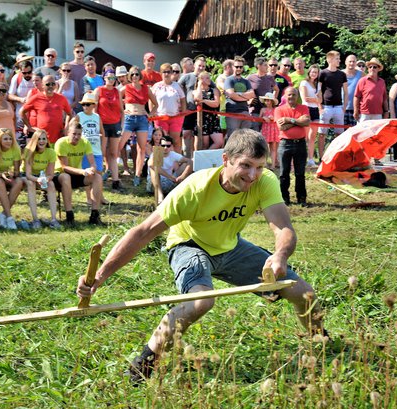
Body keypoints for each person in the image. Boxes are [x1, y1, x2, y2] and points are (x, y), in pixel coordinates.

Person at [77, 129, 325, 383]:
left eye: (259, 167)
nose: (252, 175)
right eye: (246, 165)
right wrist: (99, 276)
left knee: (303, 293)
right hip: (189, 245)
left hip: (229, 247)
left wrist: (280, 255)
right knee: (201, 301)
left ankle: (323, 346)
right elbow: (142, 232)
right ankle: (142, 367)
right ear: (226, 159)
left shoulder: (265, 181)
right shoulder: (194, 189)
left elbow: (283, 228)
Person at [53, 121, 105, 226]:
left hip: (77, 174)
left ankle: (94, 215)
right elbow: (65, 167)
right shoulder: (61, 143)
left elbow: (93, 164)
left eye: (79, 134)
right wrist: (82, 171)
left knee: (97, 177)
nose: (77, 137)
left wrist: (92, 170)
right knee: (66, 177)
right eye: (74, 134)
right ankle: (69, 215)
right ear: (68, 133)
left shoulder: (85, 142)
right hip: (59, 175)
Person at [117, 66, 157, 187]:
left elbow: (156, 104)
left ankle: (137, 175)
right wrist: (122, 110)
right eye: (132, 74)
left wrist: (150, 115)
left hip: (141, 119)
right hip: (129, 118)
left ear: (140, 76)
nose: (134, 76)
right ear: (130, 76)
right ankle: (110, 169)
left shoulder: (146, 88)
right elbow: (117, 96)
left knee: (141, 148)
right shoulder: (126, 87)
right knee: (119, 144)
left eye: (137, 74)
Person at [274, 87, 310, 206]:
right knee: (284, 173)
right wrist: (298, 121)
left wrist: (289, 120)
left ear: (297, 96)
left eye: (294, 95)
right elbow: (281, 128)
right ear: (285, 96)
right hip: (285, 144)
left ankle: (301, 198)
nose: (291, 97)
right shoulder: (279, 110)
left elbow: (306, 122)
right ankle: (284, 198)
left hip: (300, 143)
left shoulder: (304, 108)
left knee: (300, 173)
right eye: (289, 95)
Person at [0, 127, 23, 230]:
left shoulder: (16, 148)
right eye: (5, 139)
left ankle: (3, 214)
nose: (8, 141)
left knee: (19, 182)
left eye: (10, 139)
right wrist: (2, 174)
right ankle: (9, 217)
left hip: (7, 175)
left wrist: (12, 173)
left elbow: (17, 171)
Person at [22, 128, 60, 229]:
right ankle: (35, 220)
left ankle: (53, 219)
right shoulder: (29, 151)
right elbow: (28, 174)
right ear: (35, 140)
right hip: (26, 175)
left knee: (51, 185)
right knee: (31, 184)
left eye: (44, 139)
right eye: (39, 139)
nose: (42, 141)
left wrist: (46, 179)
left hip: (41, 176)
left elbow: (51, 174)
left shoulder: (51, 152)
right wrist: (38, 180)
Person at [20, 74, 72, 145]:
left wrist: (66, 127)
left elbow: (69, 113)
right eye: (48, 84)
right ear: (42, 85)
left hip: (58, 138)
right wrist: (29, 127)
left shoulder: (62, 98)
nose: (50, 86)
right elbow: (22, 112)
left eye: (53, 84)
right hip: (42, 139)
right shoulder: (36, 98)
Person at [93, 69, 124, 183]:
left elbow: (122, 110)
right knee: (101, 152)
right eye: (108, 77)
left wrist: (121, 125)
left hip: (115, 125)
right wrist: (98, 125)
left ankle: (115, 180)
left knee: (113, 153)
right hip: (103, 124)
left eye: (113, 78)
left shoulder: (117, 92)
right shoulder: (99, 90)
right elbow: (95, 111)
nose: (110, 80)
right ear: (104, 78)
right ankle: (98, 178)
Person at [317, 51, 348, 162]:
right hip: (326, 107)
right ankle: (321, 157)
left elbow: (345, 91)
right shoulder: (323, 73)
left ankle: (337, 157)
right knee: (322, 133)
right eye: (337, 58)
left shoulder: (342, 74)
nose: (339, 61)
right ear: (329, 60)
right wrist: (320, 107)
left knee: (339, 134)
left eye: (339, 58)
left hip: (338, 107)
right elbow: (318, 91)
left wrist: (344, 107)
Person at [152, 63, 186, 154]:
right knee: (161, 140)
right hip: (160, 117)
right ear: (161, 73)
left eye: (168, 72)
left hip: (175, 116)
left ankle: (178, 161)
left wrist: (183, 112)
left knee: (175, 140)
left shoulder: (177, 86)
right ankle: (160, 162)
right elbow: (151, 100)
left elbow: (183, 99)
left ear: (171, 73)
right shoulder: (156, 86)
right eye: (164, 72)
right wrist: (153, 112)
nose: (166, 74)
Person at [179, 56, 206, 154]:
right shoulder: (187, 77)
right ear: (194, 66)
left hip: (202, 112)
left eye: (203, 66)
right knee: (186, 134)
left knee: (199, 135)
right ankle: (186, 157)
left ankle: (196, 158)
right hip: (189, 110)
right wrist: (182, 104)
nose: (201, 68)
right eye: (199, 65)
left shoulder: (206, 77)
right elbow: (177, 87)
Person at [224, 56, 255, 139]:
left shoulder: (246, 81)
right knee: (233, 137)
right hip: (232, 112)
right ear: (233, 67)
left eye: (240, 67)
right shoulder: (229, 80)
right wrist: (245, 96)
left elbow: (252, 94)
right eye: (237, 66)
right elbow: (231, 95)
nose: (239, 68)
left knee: (245, 137)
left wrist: (238, 95)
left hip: (245, 111)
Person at [192, 71, 223, 149]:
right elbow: (197, 99)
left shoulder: (214, 90)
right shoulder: (196, 91)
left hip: (213, 119)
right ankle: (201, 159)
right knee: (204, 144)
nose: (210, 80)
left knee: (219, 142)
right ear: (201, 79)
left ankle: (207, 156)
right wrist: (199, 85)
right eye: (207, 78)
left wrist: (204, 101)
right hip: (202, 119)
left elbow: (216, 104)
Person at [247, 57, 278, 132]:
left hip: (267, 111)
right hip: (255, 110)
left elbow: (276, 90)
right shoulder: (250, 78)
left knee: (267, 134)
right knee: (255, 133)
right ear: (258, 66)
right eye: (265, 65)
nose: (267, 67)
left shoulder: (270, 77)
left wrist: (272, 100)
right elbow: (244, 92)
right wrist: (248, 101)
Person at [299, 64, 322, 165]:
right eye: (312, 72)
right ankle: (302, 158)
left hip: (315, 110)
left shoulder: (318, 84)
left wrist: (317, 100)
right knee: (305, 136)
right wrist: (316, 100)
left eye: (316, 72)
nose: (314, 74)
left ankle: (311, 159)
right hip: (306, 108)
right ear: (309, 72)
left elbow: (321, 100)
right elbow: (305, 98)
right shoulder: (304, 82)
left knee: (313, 136)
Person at [353, 58, 388, 123]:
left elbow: (384, 98)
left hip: (378, 113)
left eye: (374, 67)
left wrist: (386, 111)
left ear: (378, 69)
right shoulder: (362, 80)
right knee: (363, 133)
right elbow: (356, 96)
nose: (372, 68)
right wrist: (356, 111)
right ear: (368, 69)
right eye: (370, 67)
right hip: (364, 113)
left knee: (377, 133)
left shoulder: (382, 82)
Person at [259, 93, 280, 168]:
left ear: (272, 101)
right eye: (266, 100)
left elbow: (278, 118)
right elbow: (259, 119)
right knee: (265, 146)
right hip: (266, 129)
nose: (267, 102)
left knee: (273, 147)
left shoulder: (276, 109)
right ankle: (264, 163)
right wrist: (263, 117)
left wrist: (273, 118)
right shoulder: (263, 110)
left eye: (269, 100)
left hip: (274, 129)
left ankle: (273, 165)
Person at [343, 54, 363, 127]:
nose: (351, 63)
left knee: (355, 133)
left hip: (355, 109)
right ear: (345, 62)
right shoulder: (340, 74)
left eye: (353, 61)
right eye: (350, 61)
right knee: (340, 132)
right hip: (342, 108)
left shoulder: (361, 74)